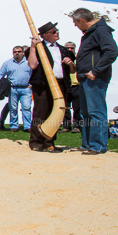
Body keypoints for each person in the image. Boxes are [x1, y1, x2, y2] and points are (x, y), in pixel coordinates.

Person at [71, 8, 118, 155]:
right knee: (85, 112)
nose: (75, 26)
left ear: (82, 20)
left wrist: (96, 71)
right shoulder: (89, 33)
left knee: (96, 112)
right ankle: (87, 144)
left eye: (75, 23)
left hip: (94, 78)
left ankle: (97, 146)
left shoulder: (100, 30)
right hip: (85, 78)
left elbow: (112, 51)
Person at [26, 22, 75, 152]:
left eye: (57, 30)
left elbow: (72, 70)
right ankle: (36, 141)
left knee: (56, 112)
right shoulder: (38, 48)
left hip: (60, 83)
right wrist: (32, 47)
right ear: (45, 35)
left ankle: (49, 141)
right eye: (53, 31)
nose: (57, 33)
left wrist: (70, 64)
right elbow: (32, 65)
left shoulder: (63, 49)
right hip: (43, 84)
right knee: (41, 112)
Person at [0, 46, 33, 132]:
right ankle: (14, 126)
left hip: (26, 88)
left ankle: (27, 126)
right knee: (13, 108)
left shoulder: (28, 62)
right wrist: (4, 84)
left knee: (26, 107)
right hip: (13, 89)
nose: (17, 53)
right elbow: (0, 74)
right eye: (15, 52)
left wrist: (31, 85)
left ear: (23, 52)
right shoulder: (7, 63)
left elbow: (33, 74)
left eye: (19, 51)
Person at [62, 42, 81, 133]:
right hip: (65, 85)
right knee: (65, 107)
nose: (70, 50)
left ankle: (77, 126)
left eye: (72, 48)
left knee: (77, 107)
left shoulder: (79, 58)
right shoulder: (62, 59)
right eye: (68, 48)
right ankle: (66, 126)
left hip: (76, 85)